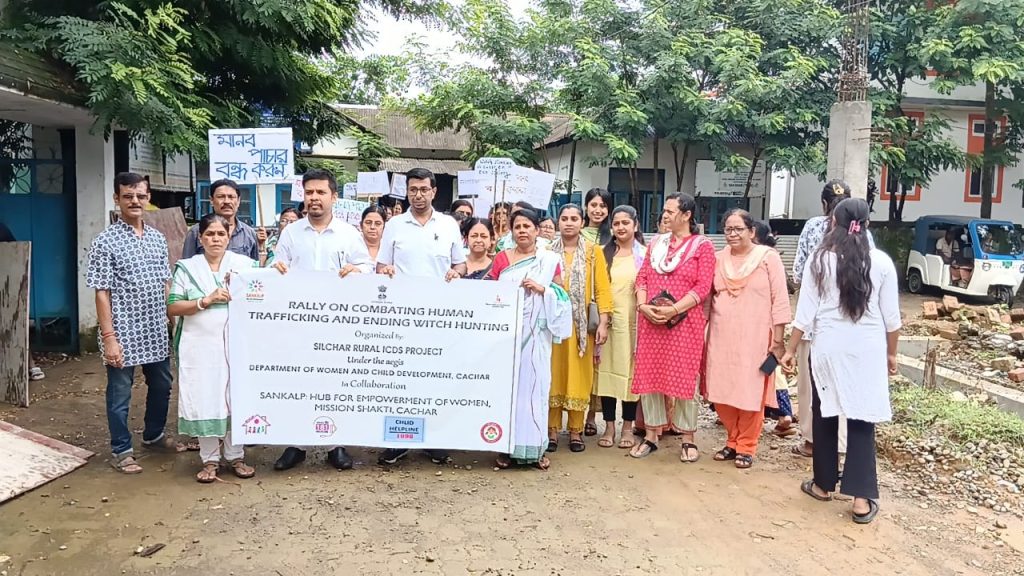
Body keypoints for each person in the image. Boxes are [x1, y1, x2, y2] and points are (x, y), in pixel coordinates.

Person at [782, 198, 901, 524]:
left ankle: (823, 485)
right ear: (867, 225)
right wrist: (891, 354)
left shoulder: (819, 260)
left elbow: (804, 314)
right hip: (867, 351)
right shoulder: (882, 262)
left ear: (833, 222)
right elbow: (892, 319)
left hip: (827, 348)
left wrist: (790, 350)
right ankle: (861, 501)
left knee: (824, 412)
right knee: (862, 418)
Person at [271, 168, 374, 472]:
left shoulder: (348, 234)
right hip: (299, 323)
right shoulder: (291, 233)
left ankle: (335, 444)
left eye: (320, 192)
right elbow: (277, 266)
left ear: (334, 196)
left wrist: (356, 270)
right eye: (309, 192)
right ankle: (297, 444)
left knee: (334, 383)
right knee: (299, 381)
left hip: (336, 325)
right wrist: (276, 268)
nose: (314, 198)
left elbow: (367, 268)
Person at [87, 172, 182, 474]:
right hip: (122, 330)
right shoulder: (105, 241)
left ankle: (153, 435)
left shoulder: (157, 238)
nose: (135, 201)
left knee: (163, 384)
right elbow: (101, 292)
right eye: (128, 196)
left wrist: (173, 322)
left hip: (155, 328)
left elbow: (166, 283)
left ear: (148, 198)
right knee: (120, 393)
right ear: (117, 199)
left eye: (140, 195)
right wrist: (109, 337)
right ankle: (121, 450)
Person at [376, 167, 467, 466]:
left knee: (435, 380)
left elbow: (461, 265)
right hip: (401, 317)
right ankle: (397, 440)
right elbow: (381, 266)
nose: (418, 195)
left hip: (439, 318)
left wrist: (456, 273)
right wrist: (386, 270)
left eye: (423, 189)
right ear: (406, 191)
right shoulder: (394, 225)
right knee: (400, 380)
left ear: (434, 191)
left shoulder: (449, 224)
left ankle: (434, 440)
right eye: (413, 189)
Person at [167, 214, 257, 483]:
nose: (215, 239)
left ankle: (236, 456)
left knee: (235, 396)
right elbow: (173, 306)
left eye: (221, 234)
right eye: (210, 234)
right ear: (200, 238)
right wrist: (204, 301)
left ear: (228, 237)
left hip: (237, 345)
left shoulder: (244, 265)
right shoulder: (187, 268)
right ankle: (209, 460)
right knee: (205, 396)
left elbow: (264, 293)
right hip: (200, 348)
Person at [629, 193, 715, 461]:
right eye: (664, 211)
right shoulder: (657, 243)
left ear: (686, 215)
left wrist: (674, 310)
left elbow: (703, 287)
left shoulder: (702, 246)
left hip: (685, 324)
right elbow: (642, 277)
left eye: (670, 211)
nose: (664, 215)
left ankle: (688, 438)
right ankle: (651, 434)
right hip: (651, 321)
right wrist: (643, 306)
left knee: (686, 377)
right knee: (650, 375)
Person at [486, 209, 573, 469]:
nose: (522, 230)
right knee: (508, 390)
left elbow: (562, 295)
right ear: (511, 231)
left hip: (536, 335)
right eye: (517, 226)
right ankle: (505, 448)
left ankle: (535, 449)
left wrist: (542, 289)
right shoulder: (502, 258)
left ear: (537, 230)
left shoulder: (548, 259)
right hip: (507, 335)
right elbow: (489, 291)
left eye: (527, 226)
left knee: (535, 389)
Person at [704, 210, 791, 469]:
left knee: (750, 390)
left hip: (756, 337)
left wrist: (778, 341)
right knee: (720, 390)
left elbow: (780, 300)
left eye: (738, 229)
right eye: (728, 229)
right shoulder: (718, 259)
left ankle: (746, 445)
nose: (732, 234)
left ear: (751, 231)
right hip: (721, 335)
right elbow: (707, 299)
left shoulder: (768, 258)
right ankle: (732, 440)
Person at [790, 179, 862, 458]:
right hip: (850, 324)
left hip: (813, 324)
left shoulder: (813, 227)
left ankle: (812, 441)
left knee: (810, 385)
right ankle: (843, 444)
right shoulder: (863, 235)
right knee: (844, 383)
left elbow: (798, 273)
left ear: (824, 204)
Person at [548, 204, 611, 453]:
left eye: (574, 218)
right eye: (564, 218)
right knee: (553, 375)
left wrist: (603, 322)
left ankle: (575, 430)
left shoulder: (593, 252)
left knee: (579, 377)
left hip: (581, 327)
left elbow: (602, 289)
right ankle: (551, 430)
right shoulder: (547, 252)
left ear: (582, 223)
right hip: (553, 325)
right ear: (558, 222)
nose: (569, 223)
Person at [595, 206, 646, 449]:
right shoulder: (602, 254)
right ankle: (609, 426)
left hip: (635, 325)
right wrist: (602, 321)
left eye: (626, 222)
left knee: (630, 375)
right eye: (616, 223)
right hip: (607, 323)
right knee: (606, 374)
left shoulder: (645, 255)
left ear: (635, 225)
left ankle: (627, 426)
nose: (621, 227)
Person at [752, 220, 798, 438]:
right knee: (772, 370)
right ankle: (783, 414)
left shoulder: (761, 259)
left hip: (759, 326)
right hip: (772, 326)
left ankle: (770, 415)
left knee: (765, 371)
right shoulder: (772, 257)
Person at [0, 221, 45, 381]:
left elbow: (16, 253)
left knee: (15, 323)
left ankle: (30, 364)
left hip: (5, 282)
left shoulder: (1, 228)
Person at [182, 179, 261, 261]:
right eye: (221, 197)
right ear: (211, 200)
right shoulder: (196, 232)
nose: (226, 201)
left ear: (238, 201)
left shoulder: (249, 233)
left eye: (231, 197)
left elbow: (254, 265)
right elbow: (187, 264)